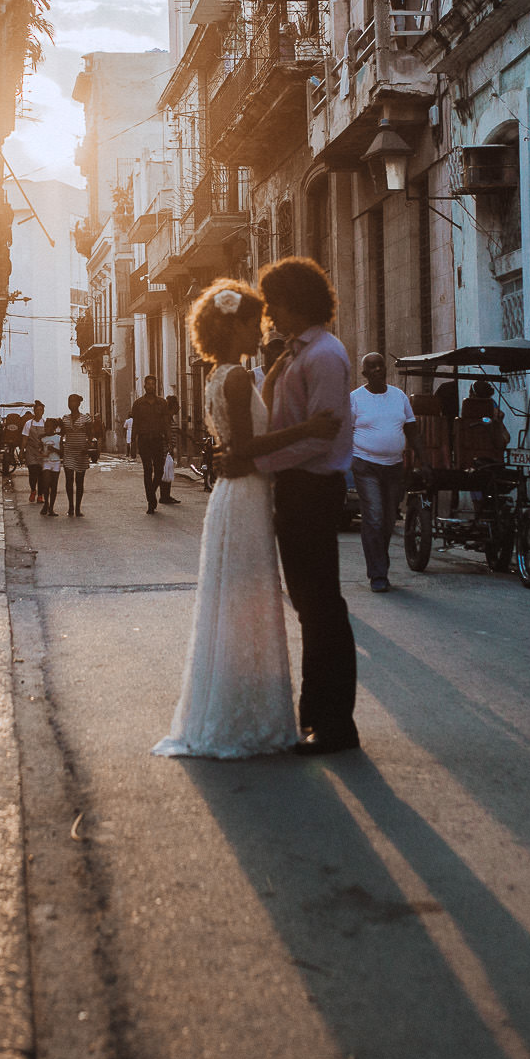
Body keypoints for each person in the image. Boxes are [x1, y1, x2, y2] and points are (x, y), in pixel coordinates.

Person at [155, 279, 340, 760]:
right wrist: (309, 428)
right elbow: (243, 449)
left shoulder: (221, 374)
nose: (262, 329)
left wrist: (277, 375)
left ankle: (237, 710)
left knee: (238, 600)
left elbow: (238, 441)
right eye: (254, 322)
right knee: (248, 600)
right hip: (245, 494)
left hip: (240, 495)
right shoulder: (237, 378)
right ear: (232, 326)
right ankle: (249, 716)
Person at [223, 256, 361, 756]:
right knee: (309, 605)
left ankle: (335, 724)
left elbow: (321, 439)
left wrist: (261, 462)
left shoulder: (323, 355)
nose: (270, 315)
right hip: (293, 486)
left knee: (321, 605)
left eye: (275, 304)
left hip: (311, 487)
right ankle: (316, 714)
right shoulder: (294, 354)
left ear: (294, 302)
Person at [350, 352, 418, 594]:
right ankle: (378, 574)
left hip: (394, 467)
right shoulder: (355, 399)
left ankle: (380, 562)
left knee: (389, 519)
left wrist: (425, 461)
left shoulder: (398, 396)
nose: (378, 369)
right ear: (364, 373)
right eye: (372, 367)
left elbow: (411, 429)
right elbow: (345, 433)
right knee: (375, 517)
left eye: (381, 365)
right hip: (365, 464)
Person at [131, 374, 175, 513]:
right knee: (147, 470)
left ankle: (151, 493)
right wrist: (133, 443)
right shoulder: (138, 404)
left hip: (157, 439)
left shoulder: (162, 403)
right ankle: (151, 501)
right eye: (148, 384)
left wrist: (169, 441)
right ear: (144, 386)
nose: (150, 386)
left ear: (156, 386)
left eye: (153, 384)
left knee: (159, 470)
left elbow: (167, 423)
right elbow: (135, 424)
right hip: (144, 440)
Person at [59, 392, 93, 516]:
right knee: (69, 480)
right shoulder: (65, 418)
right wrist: (60, 447)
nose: (71, 404)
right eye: (69, 401)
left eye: (74, 401)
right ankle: (71, 507)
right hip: (69, 451)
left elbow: (90, 435)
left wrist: (87, 446)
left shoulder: (86, 418)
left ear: (79, 403)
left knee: (79, 481)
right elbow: (61, 434)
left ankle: (78, 508)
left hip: (81, 452)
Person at [21, 401, 49, 514]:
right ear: (34, 411)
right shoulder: (28, 424)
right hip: (31, 451)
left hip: (42, 452)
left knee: (42, 475)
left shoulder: (46, 423)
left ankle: (40, 495)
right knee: (33, 472)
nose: (39, 412)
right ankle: (33, 490)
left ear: (43, 411)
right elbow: (24, 438)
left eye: (41, 410)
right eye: (37, 410)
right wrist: (22, 450)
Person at [160, 395, 183, 504]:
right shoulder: (167, 418)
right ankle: (164, 496)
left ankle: (165, 496)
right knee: (165, 473)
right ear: (173, 406)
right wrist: (169, 447)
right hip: (166, 450)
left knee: (167, 473)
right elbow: (165, 432)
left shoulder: (170, 417)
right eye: (177, 405)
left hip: (168, 449)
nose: (179, 408)